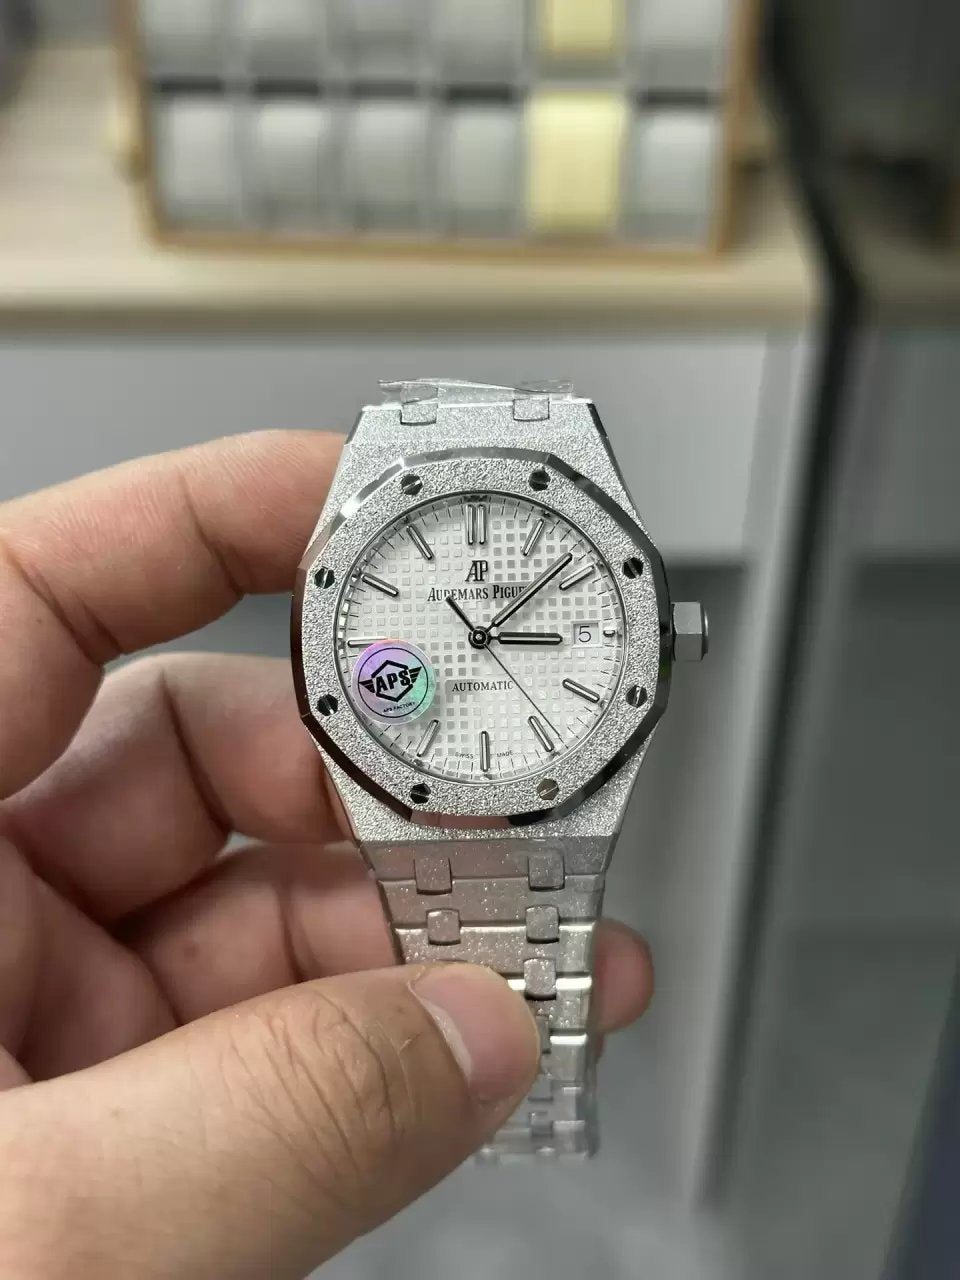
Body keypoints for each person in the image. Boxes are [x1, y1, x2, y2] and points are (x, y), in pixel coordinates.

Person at [0, 432, 655, 1279]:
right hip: (414, 771)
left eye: (490, 631)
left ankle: (530, 1095)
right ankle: (523, 1090)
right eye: (475, 631)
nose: (483, 636)